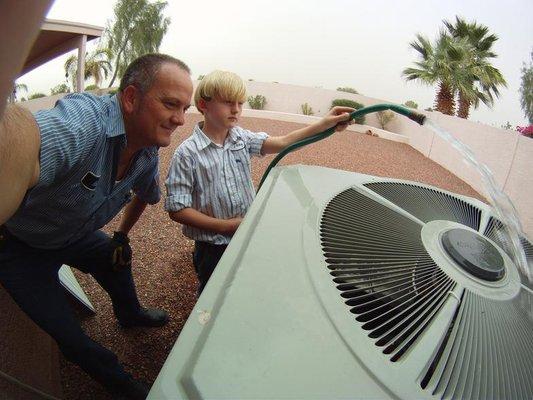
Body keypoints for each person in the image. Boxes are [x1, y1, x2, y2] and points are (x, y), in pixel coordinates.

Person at [0, 53, 193, 399]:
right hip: (20, 248)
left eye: (185, 108)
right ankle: (117, 381)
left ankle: (130, 313)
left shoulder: (147, 150)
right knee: (69, 336)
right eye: (170, 104)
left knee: (114, 256)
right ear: (131, 98)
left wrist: (121, 235)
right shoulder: (86, 123)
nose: (179, 119)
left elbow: (147, 195)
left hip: (74, 235)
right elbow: (31, 139)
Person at [165, 70, 353, 294]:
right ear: (204, 105)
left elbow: (283, 143)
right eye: (227, 102)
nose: (235, 109)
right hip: (212, 247)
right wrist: (225, 227)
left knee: (244, 284)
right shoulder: (187, 154)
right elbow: (178, 209)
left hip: (246, 235)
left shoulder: (240, 138)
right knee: (213, 293)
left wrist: (324, 124)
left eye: (240, 103)